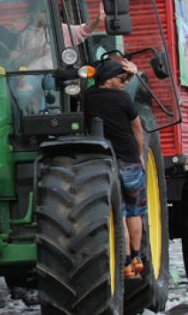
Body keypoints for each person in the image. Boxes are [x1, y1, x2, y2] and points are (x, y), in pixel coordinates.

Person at [81, 58, 148, 279]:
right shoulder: (124, 99)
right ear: (109, 79)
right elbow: (137, 129)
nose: (124, 82)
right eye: (121, 79)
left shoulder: (88, 98)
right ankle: (137, 257)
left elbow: (111, 84)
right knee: (134, 211)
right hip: (129, 159)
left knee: (118, 213)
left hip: (106, 160)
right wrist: (140, 155)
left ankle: (127, 262)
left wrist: (126, 74)